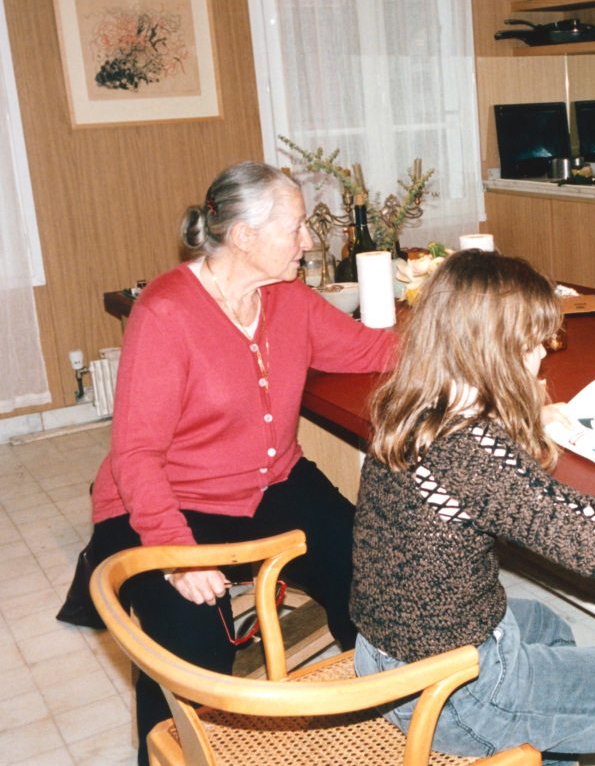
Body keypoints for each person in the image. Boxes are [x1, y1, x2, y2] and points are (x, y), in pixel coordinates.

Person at [351, 249, 595, 766]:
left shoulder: (412, 405)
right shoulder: (472, 451)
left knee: (545, 625)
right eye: (530, 345)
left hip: (384, 657)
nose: (542, 356)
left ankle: (560, 735)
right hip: (451, 696)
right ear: (492, 351)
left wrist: (526, 420)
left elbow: (470, 480)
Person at [87, 161, 396, 765]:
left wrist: (469, 336)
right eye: (298, 227)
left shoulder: (288, 299)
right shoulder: (165, 313)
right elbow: (136, 455)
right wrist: (175, 554)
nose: (309, 241)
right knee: (189, 656)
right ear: (245, 237)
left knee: (375, 577)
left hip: (272, 483)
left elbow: (371, 349)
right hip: (164, 502)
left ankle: (383, 722)